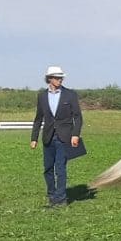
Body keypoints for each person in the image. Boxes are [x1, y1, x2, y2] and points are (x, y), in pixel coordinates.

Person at [30, 66, 83, 207]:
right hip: (48, 137)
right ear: (49, 79)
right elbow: (38, 118)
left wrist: (75, 135)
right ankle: (52, 194)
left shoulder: (70, 95)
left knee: (60, 168)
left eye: (61, 77)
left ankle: (61, 198)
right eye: (56, 77)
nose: (59, 80)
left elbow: (77, 117)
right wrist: (34, 138)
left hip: (64, 137)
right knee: (48, 168)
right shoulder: (42, 96)